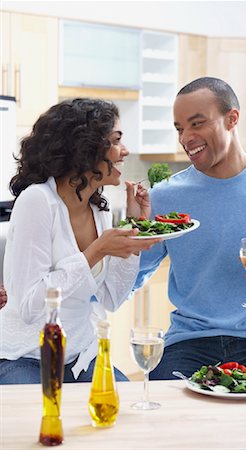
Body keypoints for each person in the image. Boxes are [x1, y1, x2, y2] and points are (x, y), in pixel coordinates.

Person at [133, 77, 246, 379]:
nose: (186, 138)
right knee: (162, 408)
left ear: (231, 118)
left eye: (197, 124)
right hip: (189, 342)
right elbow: (130, 275)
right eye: (180, 128)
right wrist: (130, 232)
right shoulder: (165, 197)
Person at [0, 97, 159, 384]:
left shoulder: (98, 209)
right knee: (43, 418)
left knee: (124, 412)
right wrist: (95, 252)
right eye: (116, 140)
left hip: (79, 355)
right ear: (85, 148)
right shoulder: (37, 202)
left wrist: (135, 228)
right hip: (26, 356)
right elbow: (29, 306)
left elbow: (112, 298)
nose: (126, 151)